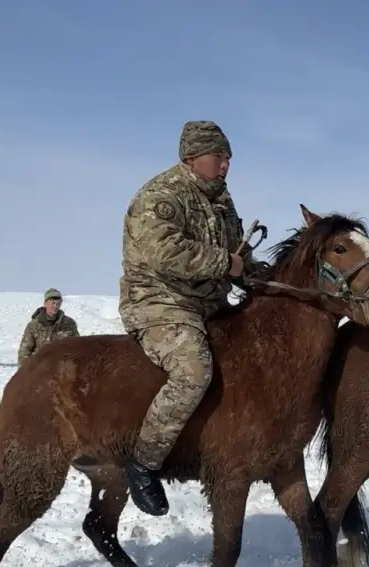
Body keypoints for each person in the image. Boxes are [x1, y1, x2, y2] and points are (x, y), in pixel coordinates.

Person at [118, 120, 257, 515]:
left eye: (229, 157)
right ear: (192, 157)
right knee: (193, 369)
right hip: (160, 301)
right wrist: (224, 263)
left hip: (209, 302)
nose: (226, 164)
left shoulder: (221, 200)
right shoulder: (162, 195)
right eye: (219, 156)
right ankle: (144, 462)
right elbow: (164, 252)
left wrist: (258, 274)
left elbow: (237, 255)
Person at [18, 288, 80, 364]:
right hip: (38, 367)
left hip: (61, 367)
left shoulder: (69, 324)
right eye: (53, 303)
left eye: (58, 304)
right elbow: (24, 351)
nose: (55, 306)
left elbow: (77, 347)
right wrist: (23, 373)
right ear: (45, 303)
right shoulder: (33, 325)